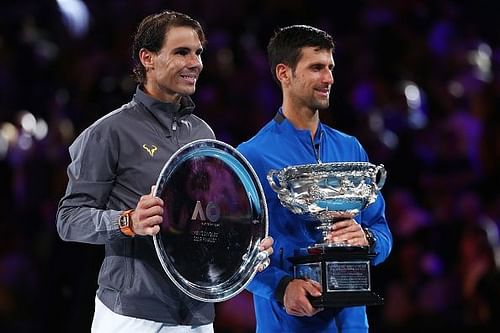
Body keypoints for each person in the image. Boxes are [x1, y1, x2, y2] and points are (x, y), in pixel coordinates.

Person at [56, 10, 272, 333]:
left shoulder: (203, 134)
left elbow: (204, 220)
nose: (196, 62)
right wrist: (127, 221)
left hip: (196, 313)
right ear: (148, 58)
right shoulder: (109, 133)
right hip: (131, 314)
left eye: (198, 53)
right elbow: (68, 219)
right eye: (182, 52)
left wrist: (244, 248)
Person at [237, 25, 393, 332]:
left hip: (352, 324)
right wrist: (280, 288)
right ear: (284, 73)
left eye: (331, 68)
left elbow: (381, 228)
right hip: (289, 323)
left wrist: (368, 239)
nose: (329, 79)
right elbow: (233, 253)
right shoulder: (252, 155)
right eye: (316, 68)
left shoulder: (350, 148)